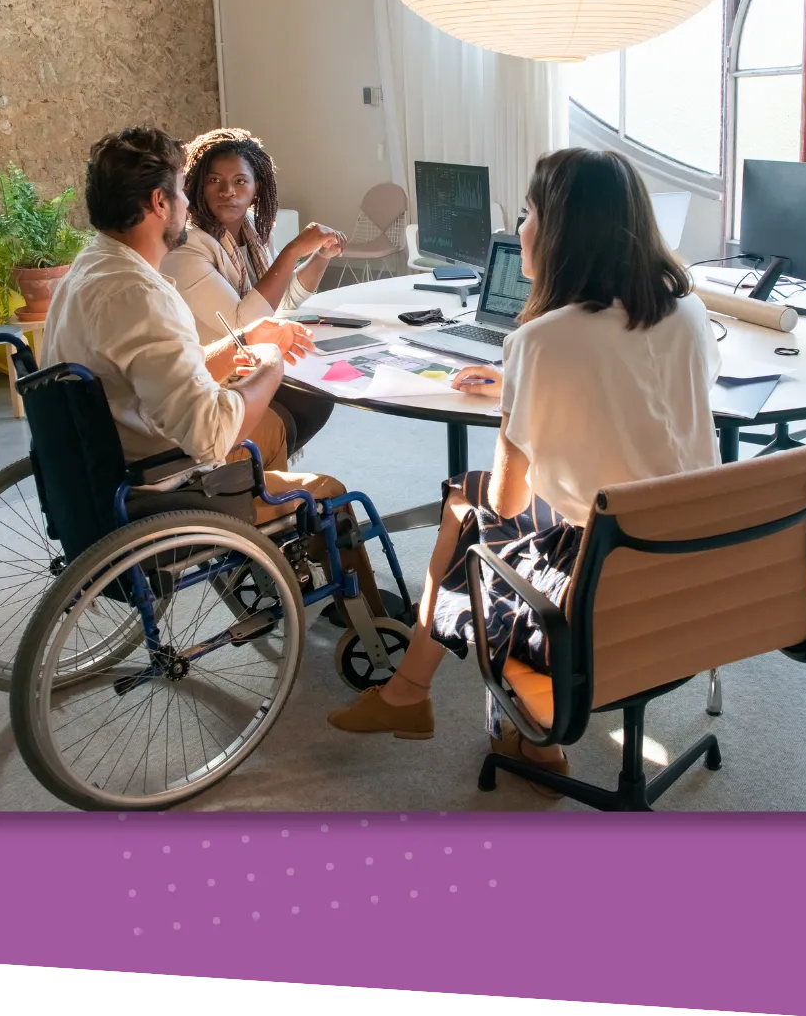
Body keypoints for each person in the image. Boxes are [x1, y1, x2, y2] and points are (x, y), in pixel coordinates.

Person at [326, 148, 723, 797]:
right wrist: (522, 392)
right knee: (472, 504)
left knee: (470, 505)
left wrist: (521, 393)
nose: (519, 230)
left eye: (529, 213)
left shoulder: (542, 342)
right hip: (687, 552)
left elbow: (510, 498)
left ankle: (439, 699)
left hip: (599, 569)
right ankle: (439, 702)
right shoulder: (689, 312)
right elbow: (650, 412)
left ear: (562, 231)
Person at [42, 126, 386, 614]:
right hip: (162, 485)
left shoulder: (90, 268)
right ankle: (370, 628)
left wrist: (244, 341)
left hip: (97, 466)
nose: (189, 202)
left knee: (279, 417)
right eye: (185, 190)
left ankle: (280, 564)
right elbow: (209, 435)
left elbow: (149, 372)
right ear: (161, 202)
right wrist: (267, 363)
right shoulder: (145, 295)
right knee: (327, 489)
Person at [162, 127, 346, 464]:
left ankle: (258, 472)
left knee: (318, 393)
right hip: (211, 377)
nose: (227, 192)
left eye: (239, 182)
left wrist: (320, 257)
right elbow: (244, 323)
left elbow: (282, 302)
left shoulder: (252, 229)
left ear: (257, 186)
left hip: (246, 362)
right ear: (197, 184)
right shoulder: (187, 245)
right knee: (303, 400)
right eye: (214, 181)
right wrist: (292, 251)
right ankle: (245, 473)